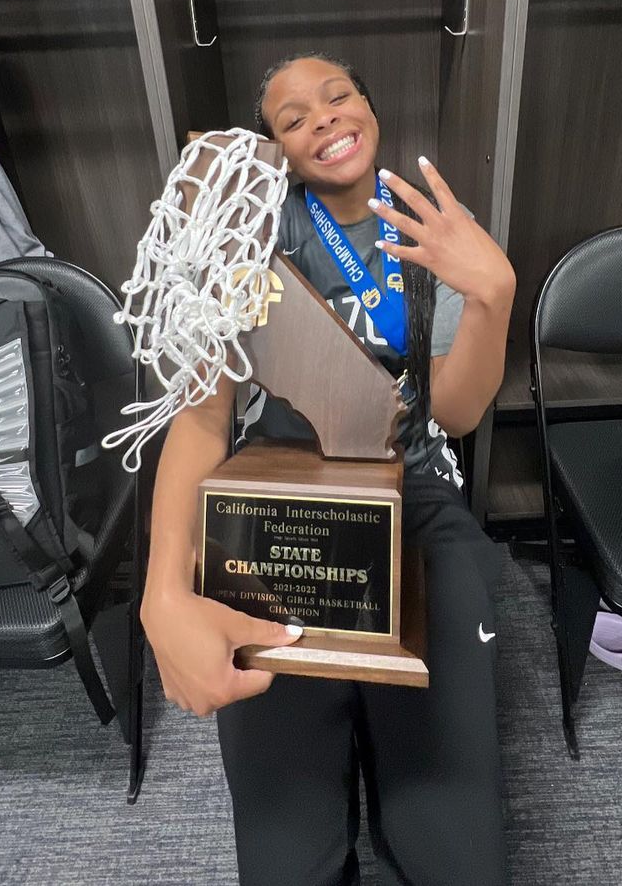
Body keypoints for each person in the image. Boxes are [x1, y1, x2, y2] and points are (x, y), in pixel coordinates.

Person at [140, 52, 516, 886]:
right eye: (293, 117)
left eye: (338, 96)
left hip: (412, 502)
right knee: (285, 858)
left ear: (371, 110)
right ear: (275, 146)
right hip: (279, 509)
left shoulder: (427, 225)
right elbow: (200, 419)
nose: (323, 119)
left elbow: (453, 412)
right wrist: (163, 591)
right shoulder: (253, 233)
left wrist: (493, 298)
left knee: (457, 849)